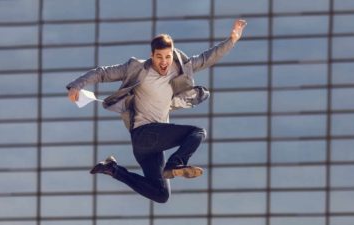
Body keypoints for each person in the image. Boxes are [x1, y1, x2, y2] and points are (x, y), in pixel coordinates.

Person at [67, 19, 247, 203]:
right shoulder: (136, 68)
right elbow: (102, 72)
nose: (164, 62)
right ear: (152, 55)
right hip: (143, 134)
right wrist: (76, 85)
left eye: (167, 57)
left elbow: (208, 57)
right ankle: (175, 163)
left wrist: (231, 40)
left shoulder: (180, 68)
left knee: (161, 194)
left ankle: (113, 169)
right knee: (198, 132)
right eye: (159, 57)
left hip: (150, 147)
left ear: (172, 54)